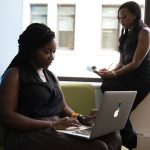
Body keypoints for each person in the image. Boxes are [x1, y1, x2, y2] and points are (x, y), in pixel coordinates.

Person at [0, 23, 122, 150]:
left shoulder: (51, 76)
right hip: (28, 133)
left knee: (113, 136)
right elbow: (7, 116)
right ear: (31, 50)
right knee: (98, 147)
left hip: (55, 128)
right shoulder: (15, 74)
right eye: (46, 51)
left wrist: (80, 118)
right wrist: (52, 124)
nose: (52, 57)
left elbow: (63, 107)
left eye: (54, 52)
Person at [94, 1, 150, 150]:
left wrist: (113, 75)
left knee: (110, 91)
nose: (121, 21)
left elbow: (136, 63)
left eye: (124, 17)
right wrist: (109, 71)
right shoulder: (125, 35)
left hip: (142, 78)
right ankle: (129, 143)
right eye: (119, 18)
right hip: (129, 75)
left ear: (135, 15)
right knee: (119, 111)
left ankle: (129, 142)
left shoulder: (145, 32)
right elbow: (121, 62)